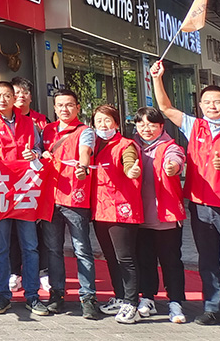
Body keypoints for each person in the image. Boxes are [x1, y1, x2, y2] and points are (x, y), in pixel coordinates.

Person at [151, 61, 220, 337]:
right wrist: (156, 78)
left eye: (217, 102)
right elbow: (165, 108)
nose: (212, 106)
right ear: (200, 105)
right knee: (207, 260)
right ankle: (213, 308)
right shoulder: (195, 126)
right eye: (207, 102)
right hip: (200, 205)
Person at [0, 80, 48, 316]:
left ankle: (32, 295)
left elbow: (39, 149)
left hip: (25, 191)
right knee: (1, 248)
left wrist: (34, 154)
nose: (2, 100)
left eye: (7, 95)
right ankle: (3, 294)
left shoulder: (29, 123)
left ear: (14, 98)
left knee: (30, 246)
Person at [78, 104, 142, 324]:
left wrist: (131, 170)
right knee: (111, 257)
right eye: (98, 121)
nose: (103, 125)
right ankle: (120, 296)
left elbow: (129, 163)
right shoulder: (93, 145)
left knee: (125, 258)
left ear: (116, 122)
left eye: (107, 120)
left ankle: (132, 303)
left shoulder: (125, 145)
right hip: (100, 209)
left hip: (121, 209)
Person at [39, 88, 98, 318]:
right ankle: (57, 294)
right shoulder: (47, 130)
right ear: (54, 108)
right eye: (60, 105)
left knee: (81, 249)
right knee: (53, 250)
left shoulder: (85, 131)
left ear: (77, 108)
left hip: (75, 197)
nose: (65, 109)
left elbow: (85, 152)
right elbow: (38, 154)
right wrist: (39, 156)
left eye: (69, 105)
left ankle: (88, 297)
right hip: (49, 198)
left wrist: (83, 166)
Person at [132, 106, 187, 324]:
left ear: (161, 126)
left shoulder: (169, 146)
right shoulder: (131, 146)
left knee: (171, 261)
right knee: (144, 260)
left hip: (166, 217)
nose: (146, 129)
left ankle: (175, 301)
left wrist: (172, 167)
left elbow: (176, 159)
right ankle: (147, 297)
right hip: (140, 217)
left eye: (151, 125)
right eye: (141, 124)